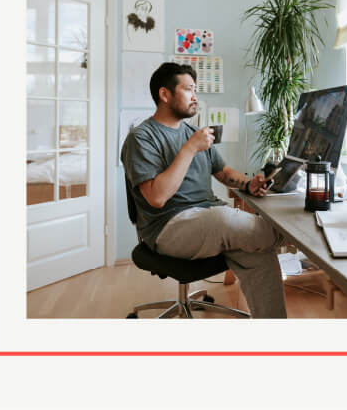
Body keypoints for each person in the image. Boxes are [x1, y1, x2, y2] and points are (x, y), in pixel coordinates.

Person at [120, 61, 288, 318]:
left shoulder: (193, 133)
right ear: (165, 94)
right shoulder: (142, 138)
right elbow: (156, 197)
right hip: (168, 227)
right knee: (225, 219)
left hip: (208, 220)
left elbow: (224, 172)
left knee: (260, 254)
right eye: (188, 89)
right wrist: (189, 148)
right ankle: (291, 236)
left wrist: (248, 183)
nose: (195, 97)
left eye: (195, 89)